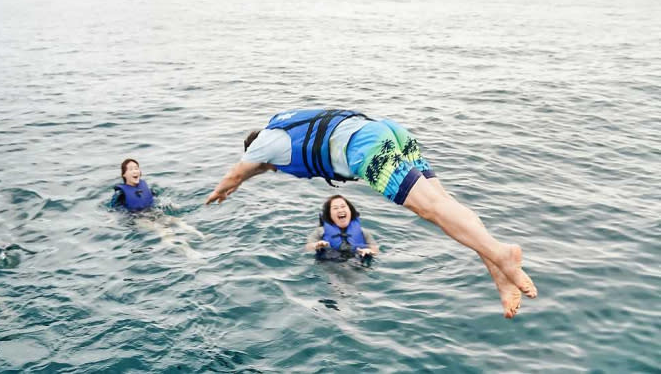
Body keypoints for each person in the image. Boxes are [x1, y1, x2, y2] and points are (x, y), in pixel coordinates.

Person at [206, 108, 535, 319]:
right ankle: (498, 270)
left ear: (255, 151)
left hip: (364, 148)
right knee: (444, 203)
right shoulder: (286, 125)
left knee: (432, 209)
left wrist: (222, 189)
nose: (271, 171)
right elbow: (257, 167)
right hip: (389, 131)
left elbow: (239, 171)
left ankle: (503, 255)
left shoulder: (265, 141)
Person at [306, 195, 379, 263]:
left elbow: (375, 250)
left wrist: (369, 251)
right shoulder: (320, 231)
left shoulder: (363, 232)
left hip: (357, 263)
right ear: (329, 214)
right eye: (335, 208)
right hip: (330, 263)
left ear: (350, 211)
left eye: (343, 206)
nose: (340, 210)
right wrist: (316, 245)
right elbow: (308, 247)